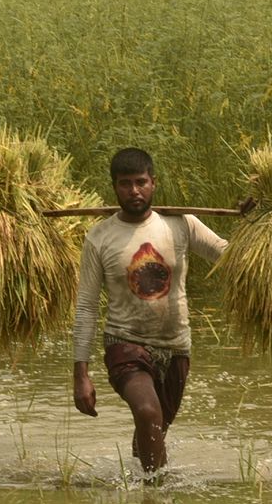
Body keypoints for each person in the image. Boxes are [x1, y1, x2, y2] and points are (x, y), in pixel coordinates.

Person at [70, 147, 238, 476]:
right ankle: (155, 498)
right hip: (125, 342)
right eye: (125, 184)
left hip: (176, 346)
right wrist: (81, 375)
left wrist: (257, 221)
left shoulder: (180, 225)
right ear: (114, 187)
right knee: (148, 412)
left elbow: (228, 256)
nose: (134, 191)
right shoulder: (100, 238)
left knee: (154, 428)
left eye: (141, 182)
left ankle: (138, 483)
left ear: (153, 183)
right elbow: (87, 307)